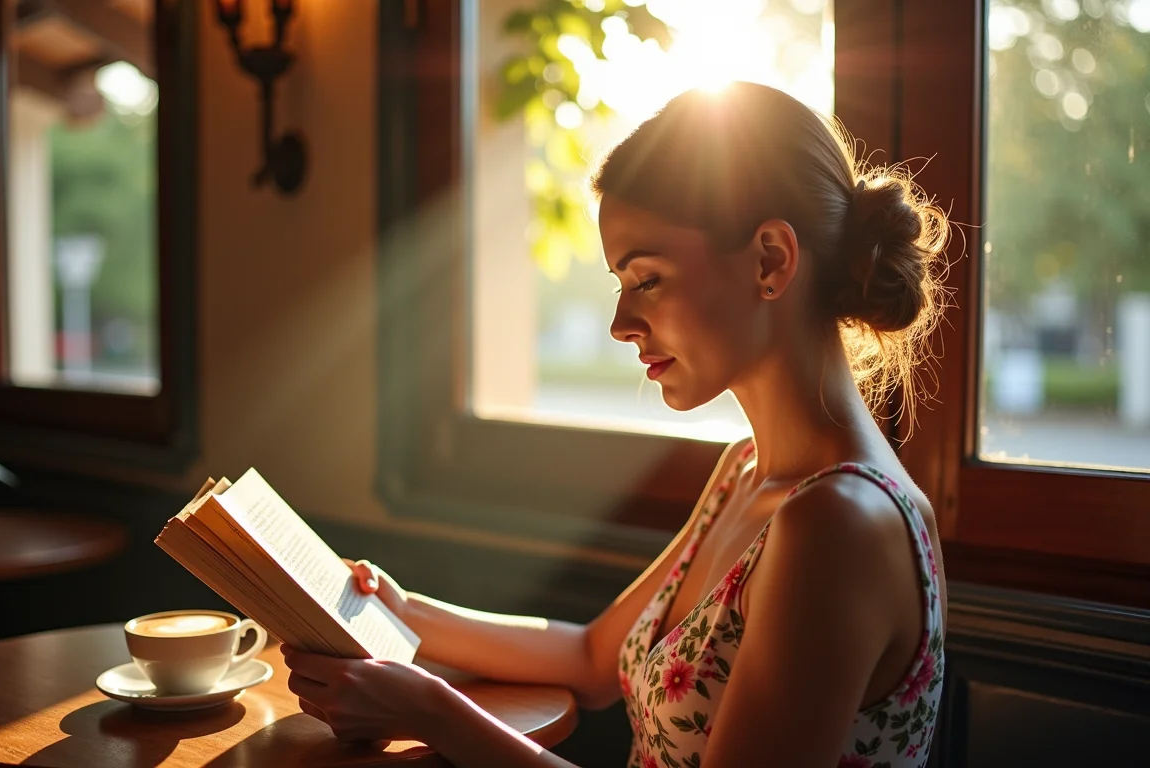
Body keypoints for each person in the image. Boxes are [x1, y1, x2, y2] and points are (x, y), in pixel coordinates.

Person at [283, 82, 950, 768]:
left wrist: (431, 711)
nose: (621, 325)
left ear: (770, 261)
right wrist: (396, 608)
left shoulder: (839, 525)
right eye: (621, 284)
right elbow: (596, 658)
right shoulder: (746, 470)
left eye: (648, 279)